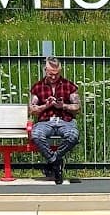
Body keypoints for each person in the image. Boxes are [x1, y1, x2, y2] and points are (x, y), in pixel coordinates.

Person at [29, 56, 80, 184]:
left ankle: (53, 161)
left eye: (56, 74)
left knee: (73, 136)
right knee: (36, 135)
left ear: (60, 71)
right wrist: (45, 106)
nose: (53, 77)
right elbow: (32, 109)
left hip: (65, 120)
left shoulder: (69, 86)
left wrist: (63, 106)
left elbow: (78, 107)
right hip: (45, 121)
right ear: (45, 70)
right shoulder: (38, 87)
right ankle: (56, 162)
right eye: (51, 74)